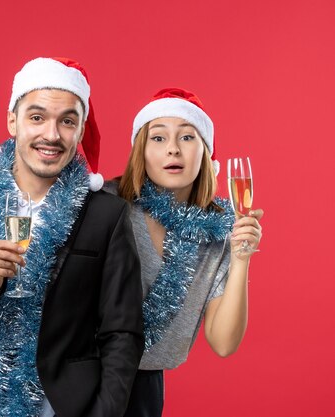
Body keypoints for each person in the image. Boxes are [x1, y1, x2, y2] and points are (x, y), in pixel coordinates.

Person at [0, 57, 143, 417]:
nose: (51, 135)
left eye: (67, 121)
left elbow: (123, 333)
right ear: (12, 121)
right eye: (37, 117)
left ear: (80, 131)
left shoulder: (107, 216)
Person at [105, 88, 264, 416]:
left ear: (205, 153)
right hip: (84, 376)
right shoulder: (108, 204)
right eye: (158, 138)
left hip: (146, 390)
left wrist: (240, 259)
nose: (173, 149)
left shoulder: (218, 232)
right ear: (141, 151)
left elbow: (223, 343)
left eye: (187, 137)